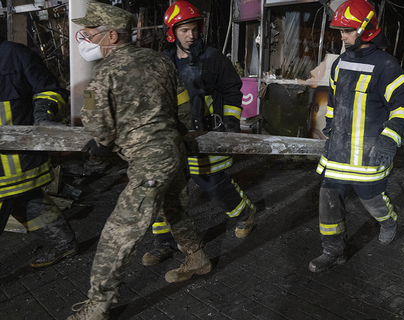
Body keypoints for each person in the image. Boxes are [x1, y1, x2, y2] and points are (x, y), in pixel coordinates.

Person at [68, 3, 210, 319]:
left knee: (118, 233)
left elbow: (96, 125)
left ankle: (97, 306)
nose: (85, 40)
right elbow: (182, 108)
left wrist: (100, 145)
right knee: (172, 207)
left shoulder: (104, 72)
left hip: (149, 166)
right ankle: (197, 257)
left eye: (90, 34)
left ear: (112, 36)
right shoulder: (160, 61)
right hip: (173, 152)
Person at [140, 0, 257, 266]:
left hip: (205, 134)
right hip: (173, 137)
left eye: (194, 29)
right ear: (172, 33)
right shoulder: (164, 61)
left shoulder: (212, 57)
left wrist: (230, 123)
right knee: (164, 189)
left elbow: (231, 89)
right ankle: (164, 243)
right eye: (184, 30)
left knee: (213, 184)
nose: (191, 35)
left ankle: (244, 215)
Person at [310, 0, 404, 273]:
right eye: (340, 31)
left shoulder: (386, 66)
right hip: (338, 154)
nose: (342, 36)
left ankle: (388, 221)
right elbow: (334, 102)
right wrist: (331, 128)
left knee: (372, 201)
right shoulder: (340, 63)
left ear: (366, 30)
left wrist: (390, 138)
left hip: (368, 155)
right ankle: (333, 251)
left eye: (348, 31)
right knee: (328, 200)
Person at [0, 37, 78, 268]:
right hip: (14, 163)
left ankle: (65, 243)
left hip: (16, 159)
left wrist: (43, 117)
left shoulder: (14, 54)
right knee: (27, 201)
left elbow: (49, 90)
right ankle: (64, 243)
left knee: (24, 198)